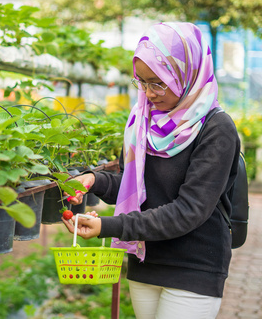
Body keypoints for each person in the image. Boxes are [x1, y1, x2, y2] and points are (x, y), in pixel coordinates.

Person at [62, 22, 240, 319]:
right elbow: (139, 187)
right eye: (141, 82)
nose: (148, 92)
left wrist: (109, 226)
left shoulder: (216, 128)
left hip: (194, 265)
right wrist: (95, 180)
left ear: (187, 73)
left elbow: (189, 210)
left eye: (158, 82)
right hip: (146, 259)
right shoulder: (142, 121)